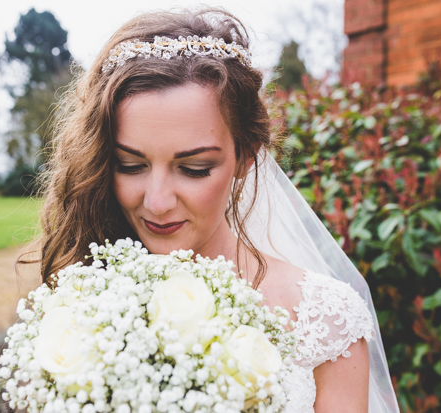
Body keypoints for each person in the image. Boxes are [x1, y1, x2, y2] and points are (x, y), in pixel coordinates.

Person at [36, 7, 399, 413]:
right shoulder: (80, 302)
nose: (156, 202)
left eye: (194, 169)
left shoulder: (326, 320)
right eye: (130, 165)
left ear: (245, 157)